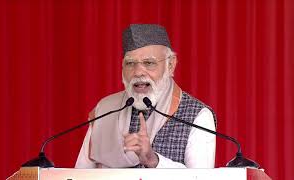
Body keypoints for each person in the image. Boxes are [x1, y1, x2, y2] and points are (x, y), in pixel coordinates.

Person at [75, 24, 216, 168]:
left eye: (149, 63)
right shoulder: (105, 110)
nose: (138, 72)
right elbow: (80, 174)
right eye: (130, 63)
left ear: (170, 65)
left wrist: (153, 160)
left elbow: (200, 177)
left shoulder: (197, 115)